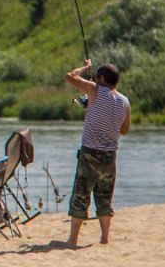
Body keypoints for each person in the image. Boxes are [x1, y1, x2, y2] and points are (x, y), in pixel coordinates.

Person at [63, 59, 131, 246]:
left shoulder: (94, 90)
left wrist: (85, 67)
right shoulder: (125, 101)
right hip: (110, 157)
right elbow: (124, 130)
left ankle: (73, 239)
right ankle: (105, 238)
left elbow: (69, 77)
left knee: (81, 196)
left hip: (90, 154)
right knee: (104, 198)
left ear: (101, 78)